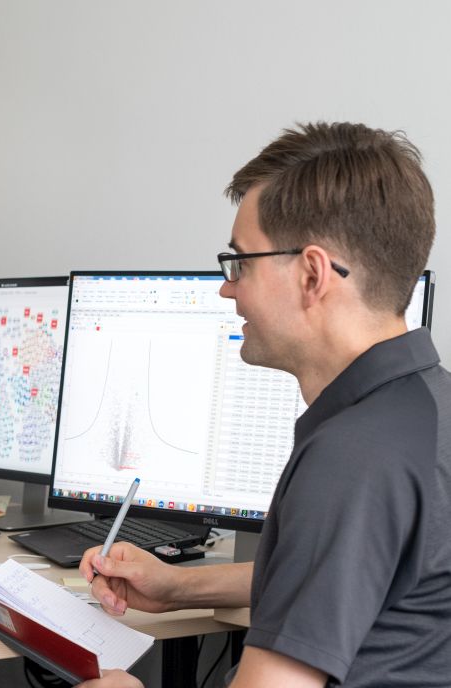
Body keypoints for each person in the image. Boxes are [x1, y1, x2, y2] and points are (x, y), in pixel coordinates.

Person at [76, 122, 450, 688]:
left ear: (311, 274)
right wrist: (180, 587)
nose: (227, 289)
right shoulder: (422, 411)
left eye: (241, 263)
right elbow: (354, 577)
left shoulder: (353, 460)